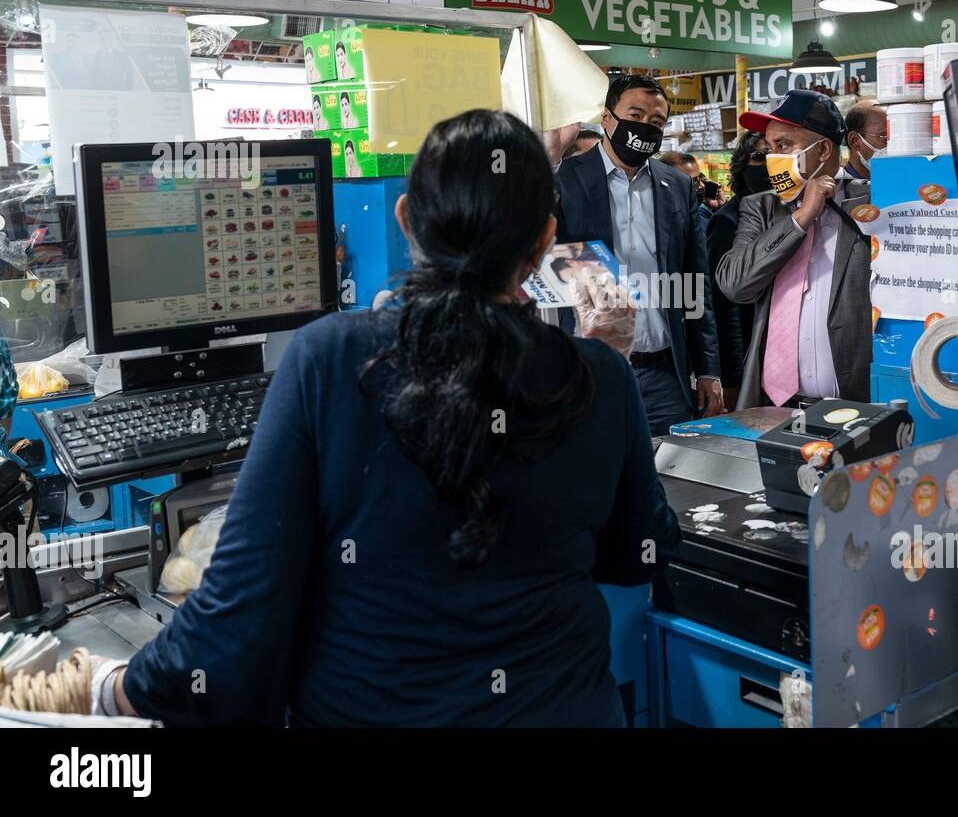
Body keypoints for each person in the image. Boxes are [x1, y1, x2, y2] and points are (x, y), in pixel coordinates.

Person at [97, 109, 680, 726]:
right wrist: (605, 360)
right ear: (544, 241)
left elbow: (239, 608)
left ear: (406, 222)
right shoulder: (601, 376)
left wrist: (112, 692)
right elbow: (636, 553)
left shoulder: (329, 357)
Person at [555, 74, 723, 434]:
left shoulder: (676, 185)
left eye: (656, 122)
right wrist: (549, 158)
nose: (645, 127)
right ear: (607, 118)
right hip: (592, 372)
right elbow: (534, 248)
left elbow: (694, 281)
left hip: (664, 374)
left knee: (671, 482)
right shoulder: (564, 179)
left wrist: (708, 368)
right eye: (635, 114)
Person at [716, 89, 872, 409]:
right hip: (773, 406)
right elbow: (735, 284)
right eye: (769, 148)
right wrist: (800, 219)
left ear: (824, 148)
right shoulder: (761, 208)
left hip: (854, 404)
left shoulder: (869, 204)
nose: (774, 159)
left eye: (784, 146)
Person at [706, 131, 769, 410]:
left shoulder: (789, 214)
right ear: (742, 166)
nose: (768, 164)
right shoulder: (727, 221)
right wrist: (732, 377)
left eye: (775, 155)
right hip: (746, 354)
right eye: (759, 157)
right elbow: (723, 305)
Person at [844, 99, 887, 184]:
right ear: (854, 141)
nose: (893, 147)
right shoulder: (839, 192)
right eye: (884, 137)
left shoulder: (891, 182)